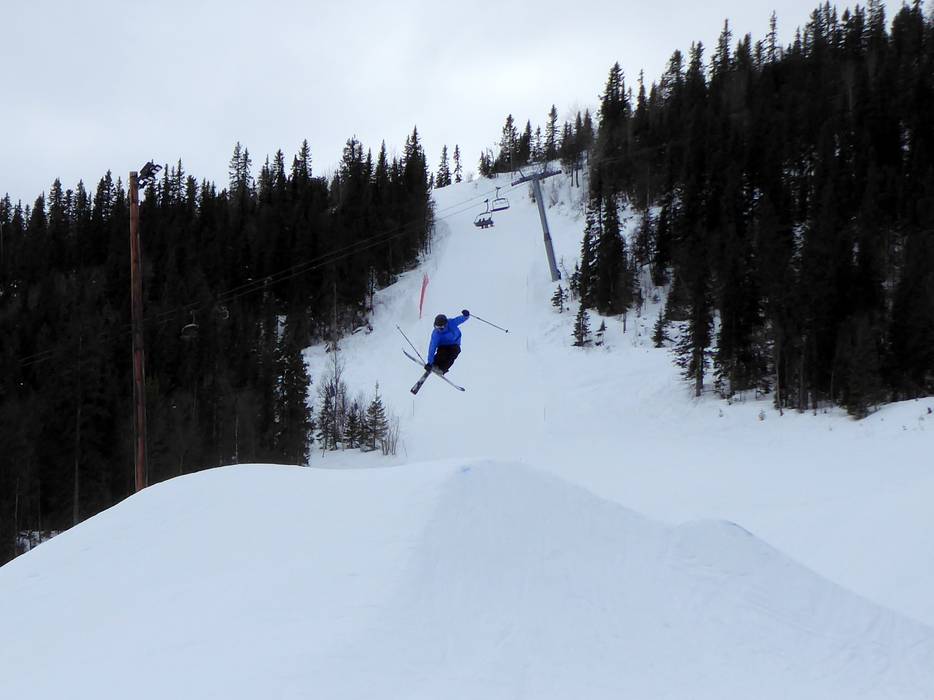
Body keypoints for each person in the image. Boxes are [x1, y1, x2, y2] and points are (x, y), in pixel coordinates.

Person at [425, 310, 470, 374]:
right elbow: (432, 347)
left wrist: (465, 316)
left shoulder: (451, 323)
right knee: (442, 353)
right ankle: (434, 364)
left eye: (441, 327)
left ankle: (442, 369)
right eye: (437, 327)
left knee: (453, 353)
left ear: (446, 324)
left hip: (454, 343)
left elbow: (460, 319)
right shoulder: (436, 334)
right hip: (443, 345)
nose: (439, 329)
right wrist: (429, 362)